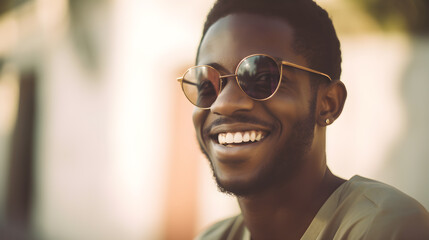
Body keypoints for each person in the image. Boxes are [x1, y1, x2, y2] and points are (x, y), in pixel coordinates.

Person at [176, 0, 429, 239]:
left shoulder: (385, 226)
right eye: (208, 86)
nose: (224, 104)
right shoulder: (212, 236)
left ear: (328, 103)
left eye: (263, 79)